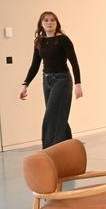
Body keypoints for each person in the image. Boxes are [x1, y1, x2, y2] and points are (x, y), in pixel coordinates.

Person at [19, 11, 83, 148]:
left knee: (51, 115)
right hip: (47, 81)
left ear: (57, 23)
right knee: (58, 114)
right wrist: (25, 84)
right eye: (46, 20)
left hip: (62, 80)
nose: (49, 22)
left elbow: (74, 62)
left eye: (52, 20)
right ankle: (69, 146)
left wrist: (78, 84)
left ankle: (48, 149)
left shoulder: (63, 39)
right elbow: (35, 65)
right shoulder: (39, 42)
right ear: (41, 24)